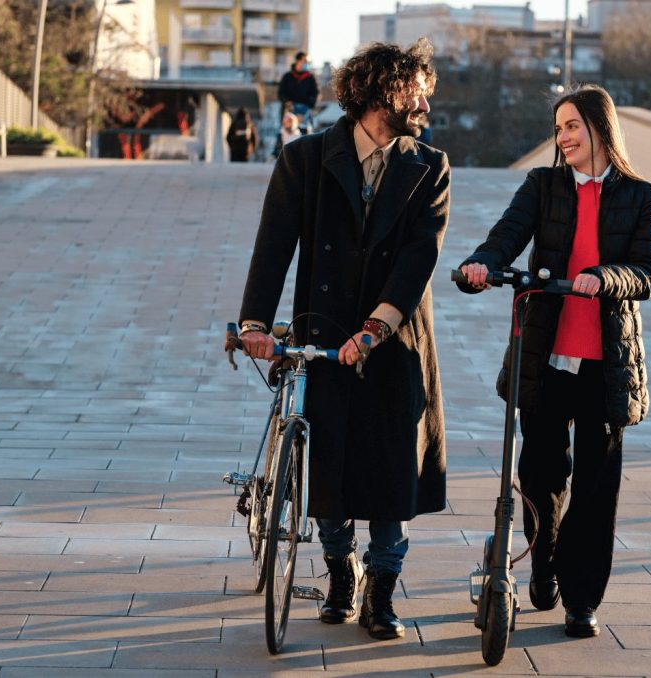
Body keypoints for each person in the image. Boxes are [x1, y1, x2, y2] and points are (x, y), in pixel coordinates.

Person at [239, 38, 449, 642]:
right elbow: (274, 244)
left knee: (390, 472)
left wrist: (376, 328)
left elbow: (418, 261)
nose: (426, 104)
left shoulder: (428, 167)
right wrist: (255, 323)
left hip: (395, 336)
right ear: (383, 91)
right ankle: (339, 572)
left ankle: (381, 590)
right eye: (418, 93)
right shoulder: (305, 159)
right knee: (324, 467)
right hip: (324, 332)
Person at [456, 84, 651, 639]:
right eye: (558, 128)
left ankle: (581, 599)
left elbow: (649, 269)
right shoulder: (542, 186)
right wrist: (481, 263)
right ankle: (543, 558)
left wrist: (608, 278)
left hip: (606, 363)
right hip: (545, 357)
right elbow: (505, 237)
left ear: (600, 128)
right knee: (540, 476)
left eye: (572, 125)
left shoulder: (642, 195)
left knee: (596, 489)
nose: (563, 137)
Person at [278, 51, 319, 123]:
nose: (306, 63)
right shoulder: (287, 77)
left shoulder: (311, 78)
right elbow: (281, 93)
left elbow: (315, 94)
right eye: (305, 61)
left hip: (305, 112)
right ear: (298, 61)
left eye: (307, 62)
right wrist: (286, 101)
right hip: (289, 111)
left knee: (306, 133)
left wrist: (308, 106)